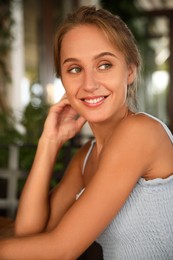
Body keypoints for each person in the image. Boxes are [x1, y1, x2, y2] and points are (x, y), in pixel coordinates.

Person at [0, 5, 173, 260]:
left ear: (130, 71)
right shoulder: (86, 157)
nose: (89, 84)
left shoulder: (141, 132)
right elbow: (28, 234)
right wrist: (49, 142)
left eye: (104, 65)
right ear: (63, 79)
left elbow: (61, 250)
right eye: (74, 69)